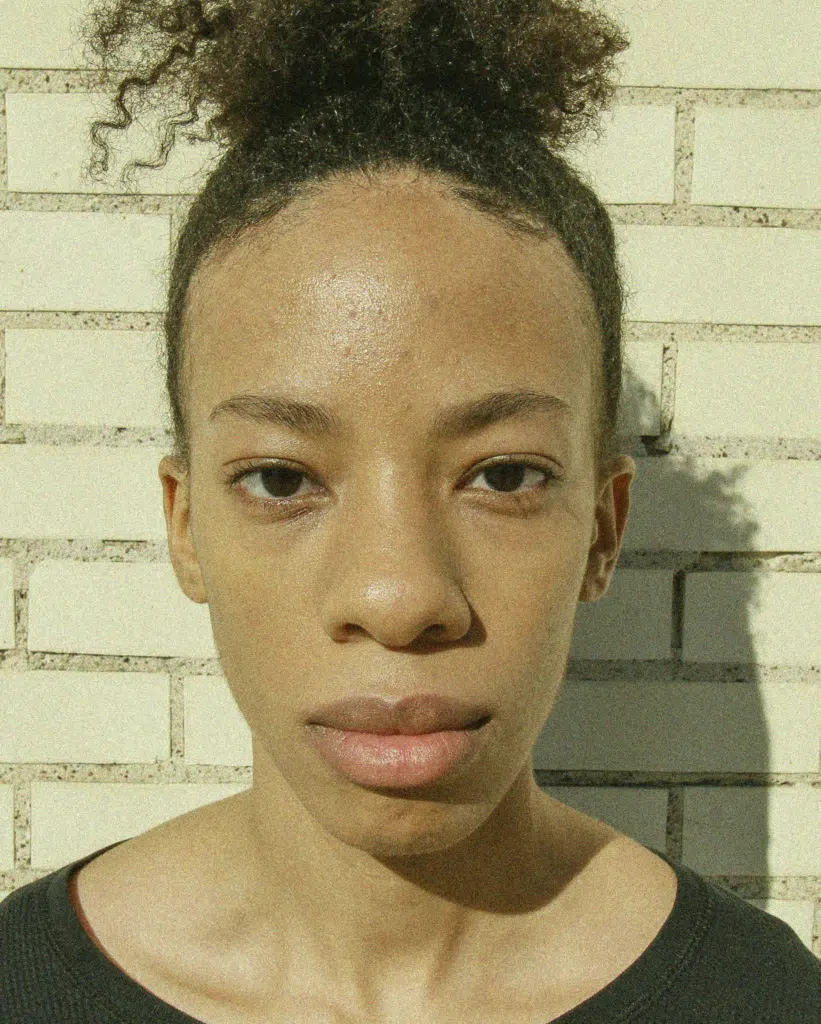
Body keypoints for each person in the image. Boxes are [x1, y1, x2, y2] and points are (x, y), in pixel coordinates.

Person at [2, 2, 820, 1022]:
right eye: (281, 479)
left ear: (602, 530)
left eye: (505, 476)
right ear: (184, 526)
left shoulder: (761, 1000)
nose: (397, 598)